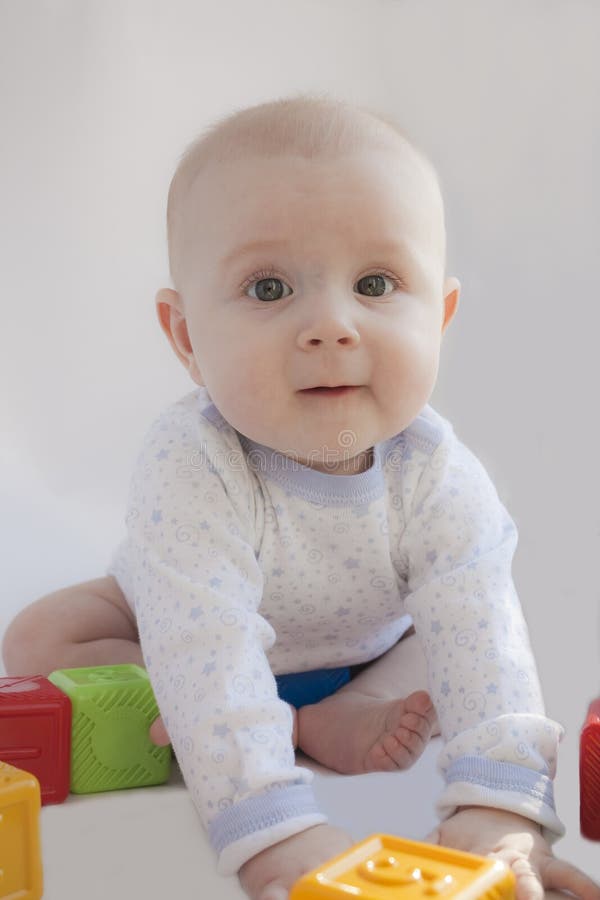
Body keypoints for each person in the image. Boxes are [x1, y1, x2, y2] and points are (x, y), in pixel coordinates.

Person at [3, 94, 599, 900]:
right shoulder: (194, 461)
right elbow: (203, 641)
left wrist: (502, 808)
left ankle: (337, 709)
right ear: (186, 338)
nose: (330, 325)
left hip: (363, 649)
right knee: (43, 637)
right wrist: (276, 833)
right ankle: (291, 728)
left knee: (452, 638)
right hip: (184, 628)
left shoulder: (437, 472)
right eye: (270, 287)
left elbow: (485, 641)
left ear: (442, 317)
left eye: (377, 282)